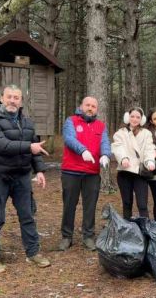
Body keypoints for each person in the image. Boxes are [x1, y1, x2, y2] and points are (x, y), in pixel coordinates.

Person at [0, 85, 51, 273]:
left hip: (22, 176)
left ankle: (33, 252)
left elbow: (35, 148)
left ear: (21, 101)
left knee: (28, 215)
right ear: (1, 98)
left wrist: (40, 170)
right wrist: (29, 147)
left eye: (16, 98)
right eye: (9, 97)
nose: (13, 100)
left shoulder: (26, 122)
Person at [59, 96, 111, 251]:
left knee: (90, 205)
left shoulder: (101, 126)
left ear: (96, 109)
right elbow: (69, 138)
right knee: (69, 205)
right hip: (71, 171)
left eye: (93, 106)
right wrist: (82, 150)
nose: (90, 108)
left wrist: (106, 154)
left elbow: (105, 142)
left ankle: (88, 236)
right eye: (87, 105)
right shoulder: (71, 121)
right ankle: (66, 236)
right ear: (81, 106)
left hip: (92, 173)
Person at [112, 107, 156, 219]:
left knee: (142, 205)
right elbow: (118, 147)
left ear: (141, 119)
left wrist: (150, 160)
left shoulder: (146, 133)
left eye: (138, 117)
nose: (134, 119)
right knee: (127, 203)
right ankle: (128, 230)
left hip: (139, 173)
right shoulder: (120, 133)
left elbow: (149, 148)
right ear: (128, 117)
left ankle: (145, 231)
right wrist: (123, 158)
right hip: (125, 171)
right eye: (132, 116)